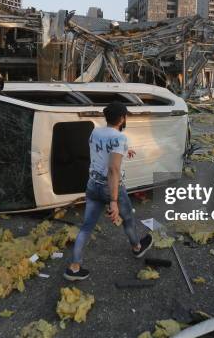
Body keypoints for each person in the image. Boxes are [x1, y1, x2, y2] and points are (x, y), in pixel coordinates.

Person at [64, 101, 153, 281]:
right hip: (112, 188)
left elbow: (102, 150)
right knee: (127, 219)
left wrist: (124, 152)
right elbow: (113, 169)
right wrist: (113, 201)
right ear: (121, 118)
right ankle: (137, 247)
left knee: (87, 226)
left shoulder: (95, 131)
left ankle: (74, 267)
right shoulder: (119, 138)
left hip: (92, 185)